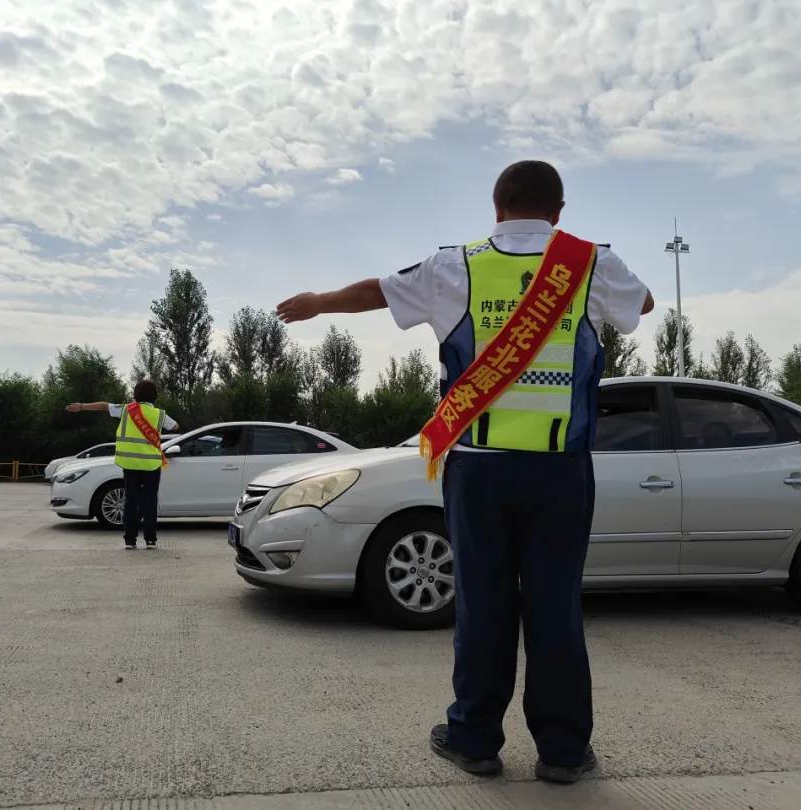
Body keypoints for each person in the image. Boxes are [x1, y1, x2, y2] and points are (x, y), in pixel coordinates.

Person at [276, 160, 653, 784]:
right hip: (560, 471)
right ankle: (562, 752)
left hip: (477, 470)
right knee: (556, 608)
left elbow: (378, 290)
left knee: (482, 604)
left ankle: (474, 739)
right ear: (558, 213)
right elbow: (639, 301)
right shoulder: (590, 262)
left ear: (497, 208)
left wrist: (320, 303)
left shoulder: (456, 265)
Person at [66, 380, 179, 549]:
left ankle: (130, 540)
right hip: (151, 466)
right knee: (149, 503)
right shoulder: (160, 414)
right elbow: (175, 426)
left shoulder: (127, 409)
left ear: (136, 395)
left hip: (129, 463)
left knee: (130, 501)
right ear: (155, 396)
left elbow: (104, 406)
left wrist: (81, 406)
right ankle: (150, 540)